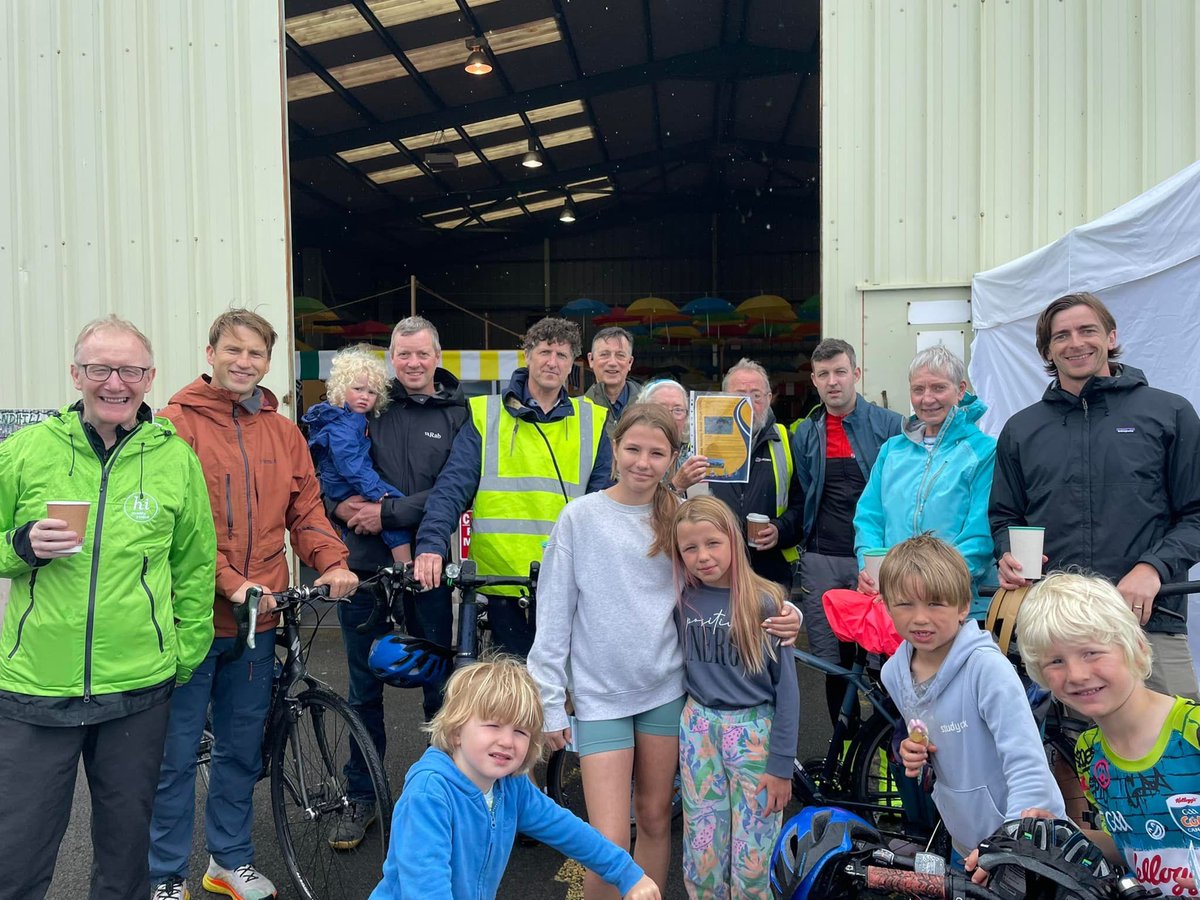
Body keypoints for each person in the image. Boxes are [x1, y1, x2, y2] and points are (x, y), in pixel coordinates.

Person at [528, 404, 800, 900]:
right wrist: (549, 699)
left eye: (657, 452)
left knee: (655, 818)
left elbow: (734, 580)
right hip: (600, 694)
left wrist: (790, 614)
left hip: (666, 693)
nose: (643, 462)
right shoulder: (580, 518)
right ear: (614, 449)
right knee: (606, 839)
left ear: (674, 456)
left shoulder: (677, 516)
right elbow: (553, 615)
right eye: (633, 449)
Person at [0, 315, 216, 900]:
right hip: (37, 684)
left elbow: (194, 565)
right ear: (76, 374)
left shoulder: (175, 460)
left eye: (130, 370)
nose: (114, 382)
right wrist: (20, 546)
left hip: (138, 687)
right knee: (15, 856)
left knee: (125, 862)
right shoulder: (27, 451)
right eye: (100, 368)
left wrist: (183, 653)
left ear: (149, 379)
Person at [149, 309, 359, 900]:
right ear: (210, 351)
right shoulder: (174, 425)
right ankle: (165, 874)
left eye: (257, 354)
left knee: (241, 749)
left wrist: (330, 560)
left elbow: (307, 510)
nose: (245, 363)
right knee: (175, 753)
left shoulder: (282, 430)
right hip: (190, 620)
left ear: (269, 362)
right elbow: (173, 529)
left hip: (258, 622)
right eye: (233, 350)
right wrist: (228, 581)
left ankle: (228, 861)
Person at [990, 291, 1200, 699]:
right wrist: (1007, 553)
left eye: (1087, 330)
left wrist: (1152, 568)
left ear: (1111, 335)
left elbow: (1196, 513)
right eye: (1061, 336)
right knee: (1072, 756)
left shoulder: (1169, 414)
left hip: (1148, 622)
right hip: (1058, 627)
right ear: (1047, 350)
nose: (1075, 343)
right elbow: (1005, 517)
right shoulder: (1022, 429)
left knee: (1179, 750)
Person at [327, 316, 470, 844]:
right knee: (363, 688)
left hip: (426, 571)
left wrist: (387, 514)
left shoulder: (460, 414)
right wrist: (341, 506)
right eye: (402, 354)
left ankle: (448, 797)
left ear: (437, 356)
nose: (411, 363)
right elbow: (325, 469)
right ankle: (361, 796)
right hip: (363, 569)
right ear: (391, 356)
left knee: (439, 688)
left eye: (421, 354)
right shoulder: (366, 405)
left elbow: (458, 488)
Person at [369, 656, 661, 900]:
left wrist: (627, 873)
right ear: (456, 731)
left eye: (520, 731)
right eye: (493, 725)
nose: (507, 741)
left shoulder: (510, 785)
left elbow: (569, 830)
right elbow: (425, 888)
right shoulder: (429, 795)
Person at [414, 316, 613, 658]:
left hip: (565, 583)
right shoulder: (486, 414)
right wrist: (431, 544)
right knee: (508, 700)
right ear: (527, 355)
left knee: (562, 696)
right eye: (545, 351)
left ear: (572, 366)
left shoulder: (592, 421)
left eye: (562, 355)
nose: (552, 362)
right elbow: (452, 488)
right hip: (499, 586)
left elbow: (602, 509)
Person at [881, 534, 1064, 863]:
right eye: (905, 604)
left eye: (935, 603)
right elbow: (927, 733)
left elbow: (1027, 762)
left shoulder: (987, 669)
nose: (920, 617)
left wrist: (1015, 847)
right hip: (963, 841)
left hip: (1024, 845)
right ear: (887, 605)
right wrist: (909, 749)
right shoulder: (894, 673)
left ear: (964, 606)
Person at [1017, 572, 1200, 895]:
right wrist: (1062, 833)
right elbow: (1127, 843)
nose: (1076, 674)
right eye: (1056, 661)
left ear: (1138, 649)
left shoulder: (1193, 728)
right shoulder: (1090, 752)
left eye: (1091, 652)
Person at [671, 496, 800, 898]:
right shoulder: (682, 599)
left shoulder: (766, 602)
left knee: (754, 853)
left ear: (733, 540)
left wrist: (780, 767)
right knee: (702, 847)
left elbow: (789, 691)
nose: (702, 556)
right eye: (689, 548)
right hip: (699, 730)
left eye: (712, 543)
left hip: (754, 735)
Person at [792, 338, 902, 725]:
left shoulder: (890, 426)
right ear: (814, 380)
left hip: (876, 559)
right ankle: (845, 747)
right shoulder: (807, 432)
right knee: (833, 660)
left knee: (884, 656)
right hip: (823, 557)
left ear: (856, 374)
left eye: (840, 372)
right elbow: (805, 493)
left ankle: (886, 742)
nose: (833, 382)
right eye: (824, 375)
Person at [854, 346, 996, 619]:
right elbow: (869, 518)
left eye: (938, 388)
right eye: (918, 389)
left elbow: (980, 534)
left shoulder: (984, 450)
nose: (927, 399)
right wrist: (868, 568)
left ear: (960, 389)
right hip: (893, 602)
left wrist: (929, 586)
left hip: (954, 604)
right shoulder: (892, 450)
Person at [303, 344, 411, 564]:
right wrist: (378, 492)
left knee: (370, 518)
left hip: (344, 485)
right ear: (341, 388)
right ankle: (406, 566)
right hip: (348, 483)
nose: (365, 396)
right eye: (358, 389)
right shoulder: (344, 424)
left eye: (371, 392)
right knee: (395, 508)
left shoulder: (349, 418)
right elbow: (350, 464)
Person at [709, 359, 804, 592]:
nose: (749, 403)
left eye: (757, 396)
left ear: (769, 399)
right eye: (740, 395)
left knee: (770, 628)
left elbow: (803, 505)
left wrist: (780, 529)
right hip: (714, 568)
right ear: (724, 399)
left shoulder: (787, 442)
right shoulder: (705, 443)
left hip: (771, 570)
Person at [636, 378, 709, 495]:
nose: (669, 417)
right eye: (660, 408)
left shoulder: (696, 452)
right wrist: (677, 486)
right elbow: (638, 505)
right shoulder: (633, 452)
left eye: (678, 410)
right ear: (642, 412)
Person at [585, 326, 642, 436]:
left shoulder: (648, 404)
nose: (612, 362)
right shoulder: (578, 410)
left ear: (630, 362)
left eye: (620, 355)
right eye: (604, 355)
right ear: (590, 359)